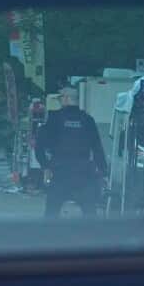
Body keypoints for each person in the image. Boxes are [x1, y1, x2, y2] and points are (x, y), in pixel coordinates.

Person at [36, 86, 107, 219]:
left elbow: (39, 146)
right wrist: (103, 172)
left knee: (51, 215)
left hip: (59, 173)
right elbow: (97, 148)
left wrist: (45, 166)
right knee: (90, 215)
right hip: (84, 174)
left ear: (67, 99)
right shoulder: (88, 120)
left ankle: (48, 233)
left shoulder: (53, 118)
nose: (59, 101)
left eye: (60, 98)